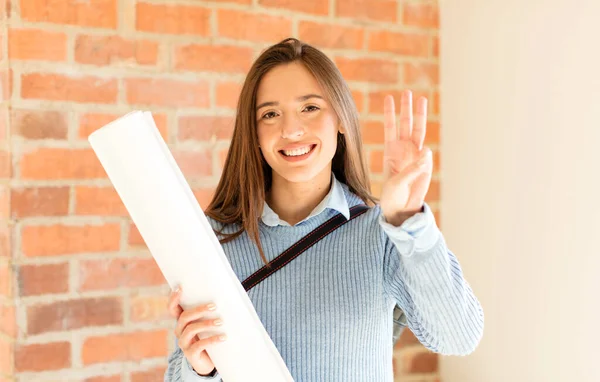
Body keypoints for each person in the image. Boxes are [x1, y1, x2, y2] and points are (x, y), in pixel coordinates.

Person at [164, 37, 484, 381]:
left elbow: (459, 336)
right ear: (253, 133)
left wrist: (408, 221)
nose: (291, 130)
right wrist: (200, 369)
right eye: (270, 114)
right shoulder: (214, 239)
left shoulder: (381, 232)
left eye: (310, 108)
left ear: (341, 119)